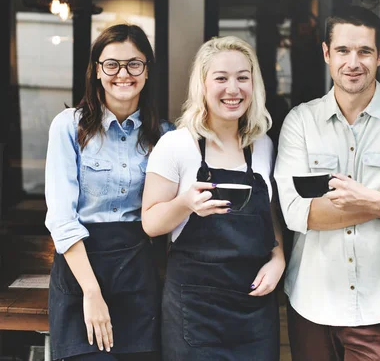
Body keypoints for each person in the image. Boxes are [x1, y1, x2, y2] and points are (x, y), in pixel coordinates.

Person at [274, 5, 380, 361]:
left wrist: (365, 200)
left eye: (364, 51)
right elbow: (296, 214)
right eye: (342, 50)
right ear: (326, 52)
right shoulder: (301, 123)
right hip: (313, 302)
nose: (353, 62)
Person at [141, 36, 285, 360]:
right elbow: (150, 223)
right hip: (194, 308)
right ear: (203, 85)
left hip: (254, 306)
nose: (233, 89)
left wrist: (279, 258)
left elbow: (268, 213)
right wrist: (184, 204)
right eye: (221, 78)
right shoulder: (176, 145)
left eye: (242, 78)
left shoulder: (262, 144)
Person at [45, 24, 174, 361]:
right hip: (79, 275)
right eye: (112, 64)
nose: (123, 74)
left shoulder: (165, 135)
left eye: (135, 64)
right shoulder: (68, 126)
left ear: (147, 71)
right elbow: (61, 217)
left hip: (137, 274)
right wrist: (91, 292)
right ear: (97, 71)